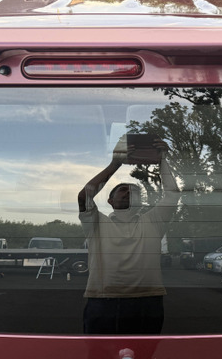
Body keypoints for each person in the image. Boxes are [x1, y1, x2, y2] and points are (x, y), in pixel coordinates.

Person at [78, 135, 179, 334]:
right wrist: (115, 163)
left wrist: (162, 160)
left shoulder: (153, 221)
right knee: (100, 351)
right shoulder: (96, 223)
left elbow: (173, 193)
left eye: (135, 191)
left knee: (144, 350)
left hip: (148, 300)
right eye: (123, 190)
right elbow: (85, 195)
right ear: (110, 201)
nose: (129, 192)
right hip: (102, 300)